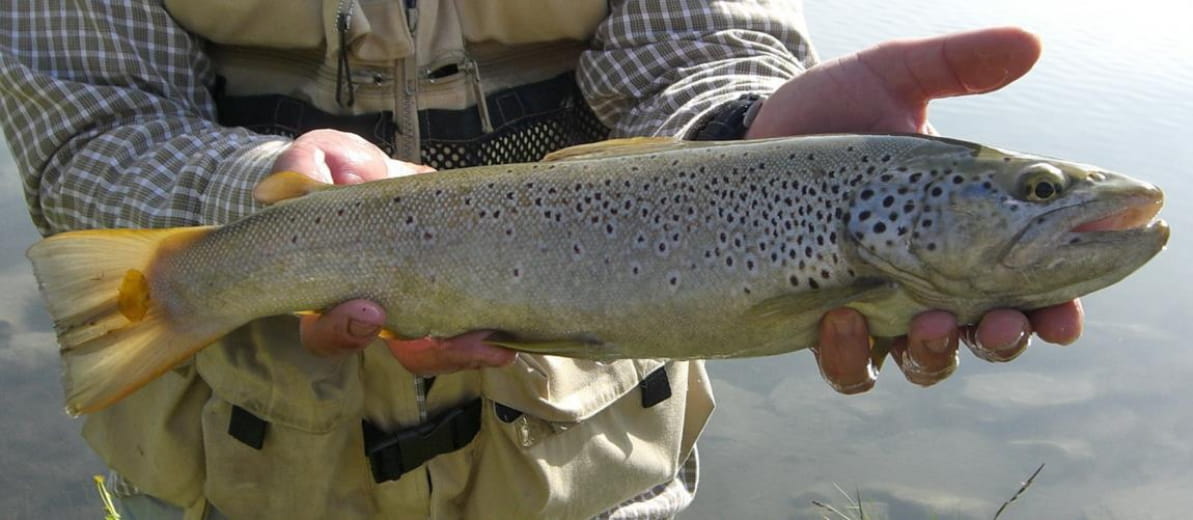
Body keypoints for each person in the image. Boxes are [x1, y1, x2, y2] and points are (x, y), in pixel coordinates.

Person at [0, 1, 1081, 518]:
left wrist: (754, 135)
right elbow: (87, 136)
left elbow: (696, 50)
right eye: (1038, 195)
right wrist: (268, 188)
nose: (1058, 211)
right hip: (232, 471)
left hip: (583, 472)